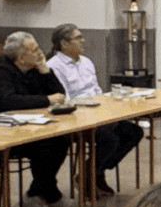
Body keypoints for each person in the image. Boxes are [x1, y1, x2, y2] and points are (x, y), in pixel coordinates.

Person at [0, 32, 75, 207]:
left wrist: (45, 71)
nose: (40, 53)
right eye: (35, 50)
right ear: (21, 57)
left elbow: (59, 95)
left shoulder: (34, 70)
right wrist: (46, 99)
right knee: (49, 145)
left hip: (26, 129)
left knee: (60, 140)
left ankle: (39, 193)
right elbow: (8, 102)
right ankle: (49, 194)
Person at [47, 23, 142, 196]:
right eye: (78, 37)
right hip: (75, 119)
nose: (83, 40)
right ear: (64, 44)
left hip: (98, 112)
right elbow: (65, 100)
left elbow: (97, 91)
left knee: (133, 132)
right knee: (110, 138)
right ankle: (93, 174)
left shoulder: (86, 62)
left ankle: (92, 172)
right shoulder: (54, 66)